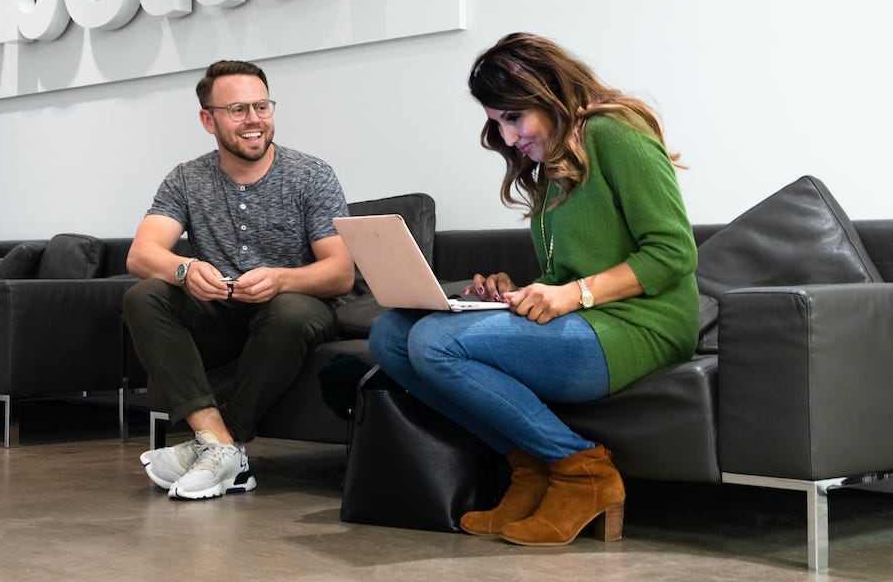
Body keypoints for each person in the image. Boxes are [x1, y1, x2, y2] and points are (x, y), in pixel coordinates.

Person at [368, 33, 699, 546]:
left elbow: (673, 252)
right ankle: (531, 471)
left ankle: (582, 473)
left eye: (512, 118)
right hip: (591, 316)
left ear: (547, 93)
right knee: (390, 333)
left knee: (434, 342)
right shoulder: (553, 165)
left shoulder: (616, 133)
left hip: (643, 325)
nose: (506, 136)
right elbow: (570, 269)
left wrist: (572, 295)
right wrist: (520, 291)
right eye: (497, 122)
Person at [123, 59, 354, 501]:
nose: (254, 120)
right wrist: (185, 269)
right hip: (220, 314)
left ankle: (219, 446)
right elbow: (142, 253)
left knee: (288, 309)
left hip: (293, 310)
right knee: (145, 295)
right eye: (238, 110)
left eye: (261, 106)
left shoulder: (310, 174)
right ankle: (221, 447)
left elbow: (340, 272)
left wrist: (282, 279)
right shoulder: (187, 178)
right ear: (208, 120)